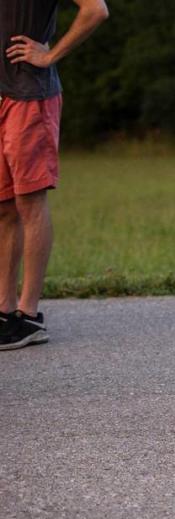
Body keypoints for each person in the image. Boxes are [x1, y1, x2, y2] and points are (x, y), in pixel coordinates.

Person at [0, 0, 109, 351]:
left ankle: (28, 315)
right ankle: (4, 311)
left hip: (29, 96)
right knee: (3, 207)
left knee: (29, 202)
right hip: (2, 96)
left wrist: (49, 55)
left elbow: (95, 9)